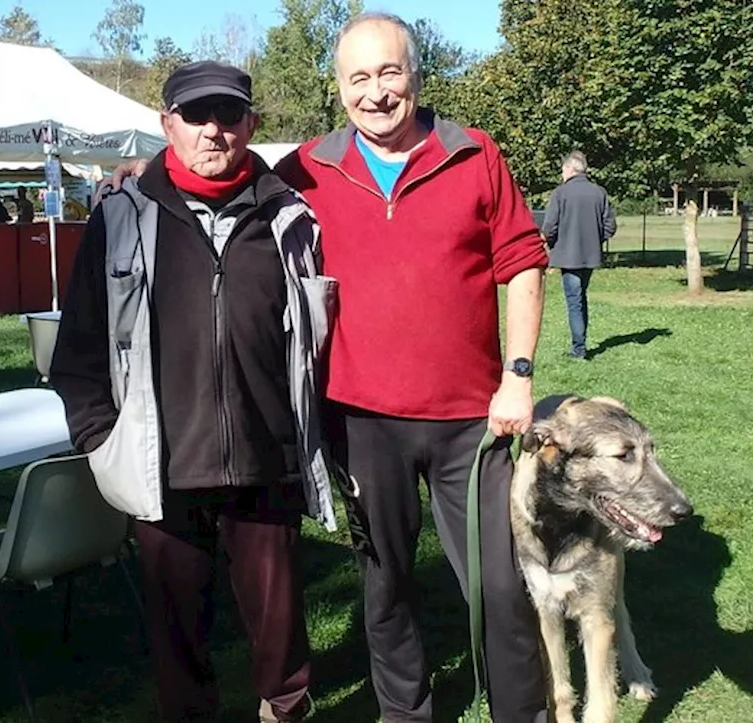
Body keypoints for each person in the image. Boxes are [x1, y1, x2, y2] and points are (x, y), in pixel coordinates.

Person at [112, 13, 550, 722]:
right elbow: (228, 171)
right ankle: (405, 711)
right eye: (359, 78)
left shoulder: (475, 153)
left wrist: (520, 374)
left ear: (415, 73)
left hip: (472, 419)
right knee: (387, 585)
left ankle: (521, 712)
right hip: (359, 417)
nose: (376, 93)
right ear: (338, 87)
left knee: (498, 583)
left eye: (389, 73)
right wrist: (149, 169)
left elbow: (524, 263)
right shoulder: (309, 167)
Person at [49, 60, 336, 723]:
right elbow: (80, 349)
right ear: (166, 125)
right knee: (178, 645)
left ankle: (285, 711)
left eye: (229, 115)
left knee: (281, 640)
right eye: (197, 115)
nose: (214, 130)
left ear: (251, 125)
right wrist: (101, 438)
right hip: (162, 467)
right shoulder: (121, 216)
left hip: (267, 462)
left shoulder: (291, 217)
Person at [541, 150, 616, 359]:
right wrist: (597, 240)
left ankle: (579, 349)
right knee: (580, 297)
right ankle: (580, 344)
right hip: (590, 256)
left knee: (574, 300)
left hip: (568, 256)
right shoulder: (599, 192)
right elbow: (610, 225)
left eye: (563, 170)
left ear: (570, 169)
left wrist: (550, 242)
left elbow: (549, 227)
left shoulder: (560, 193)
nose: (562, 174)